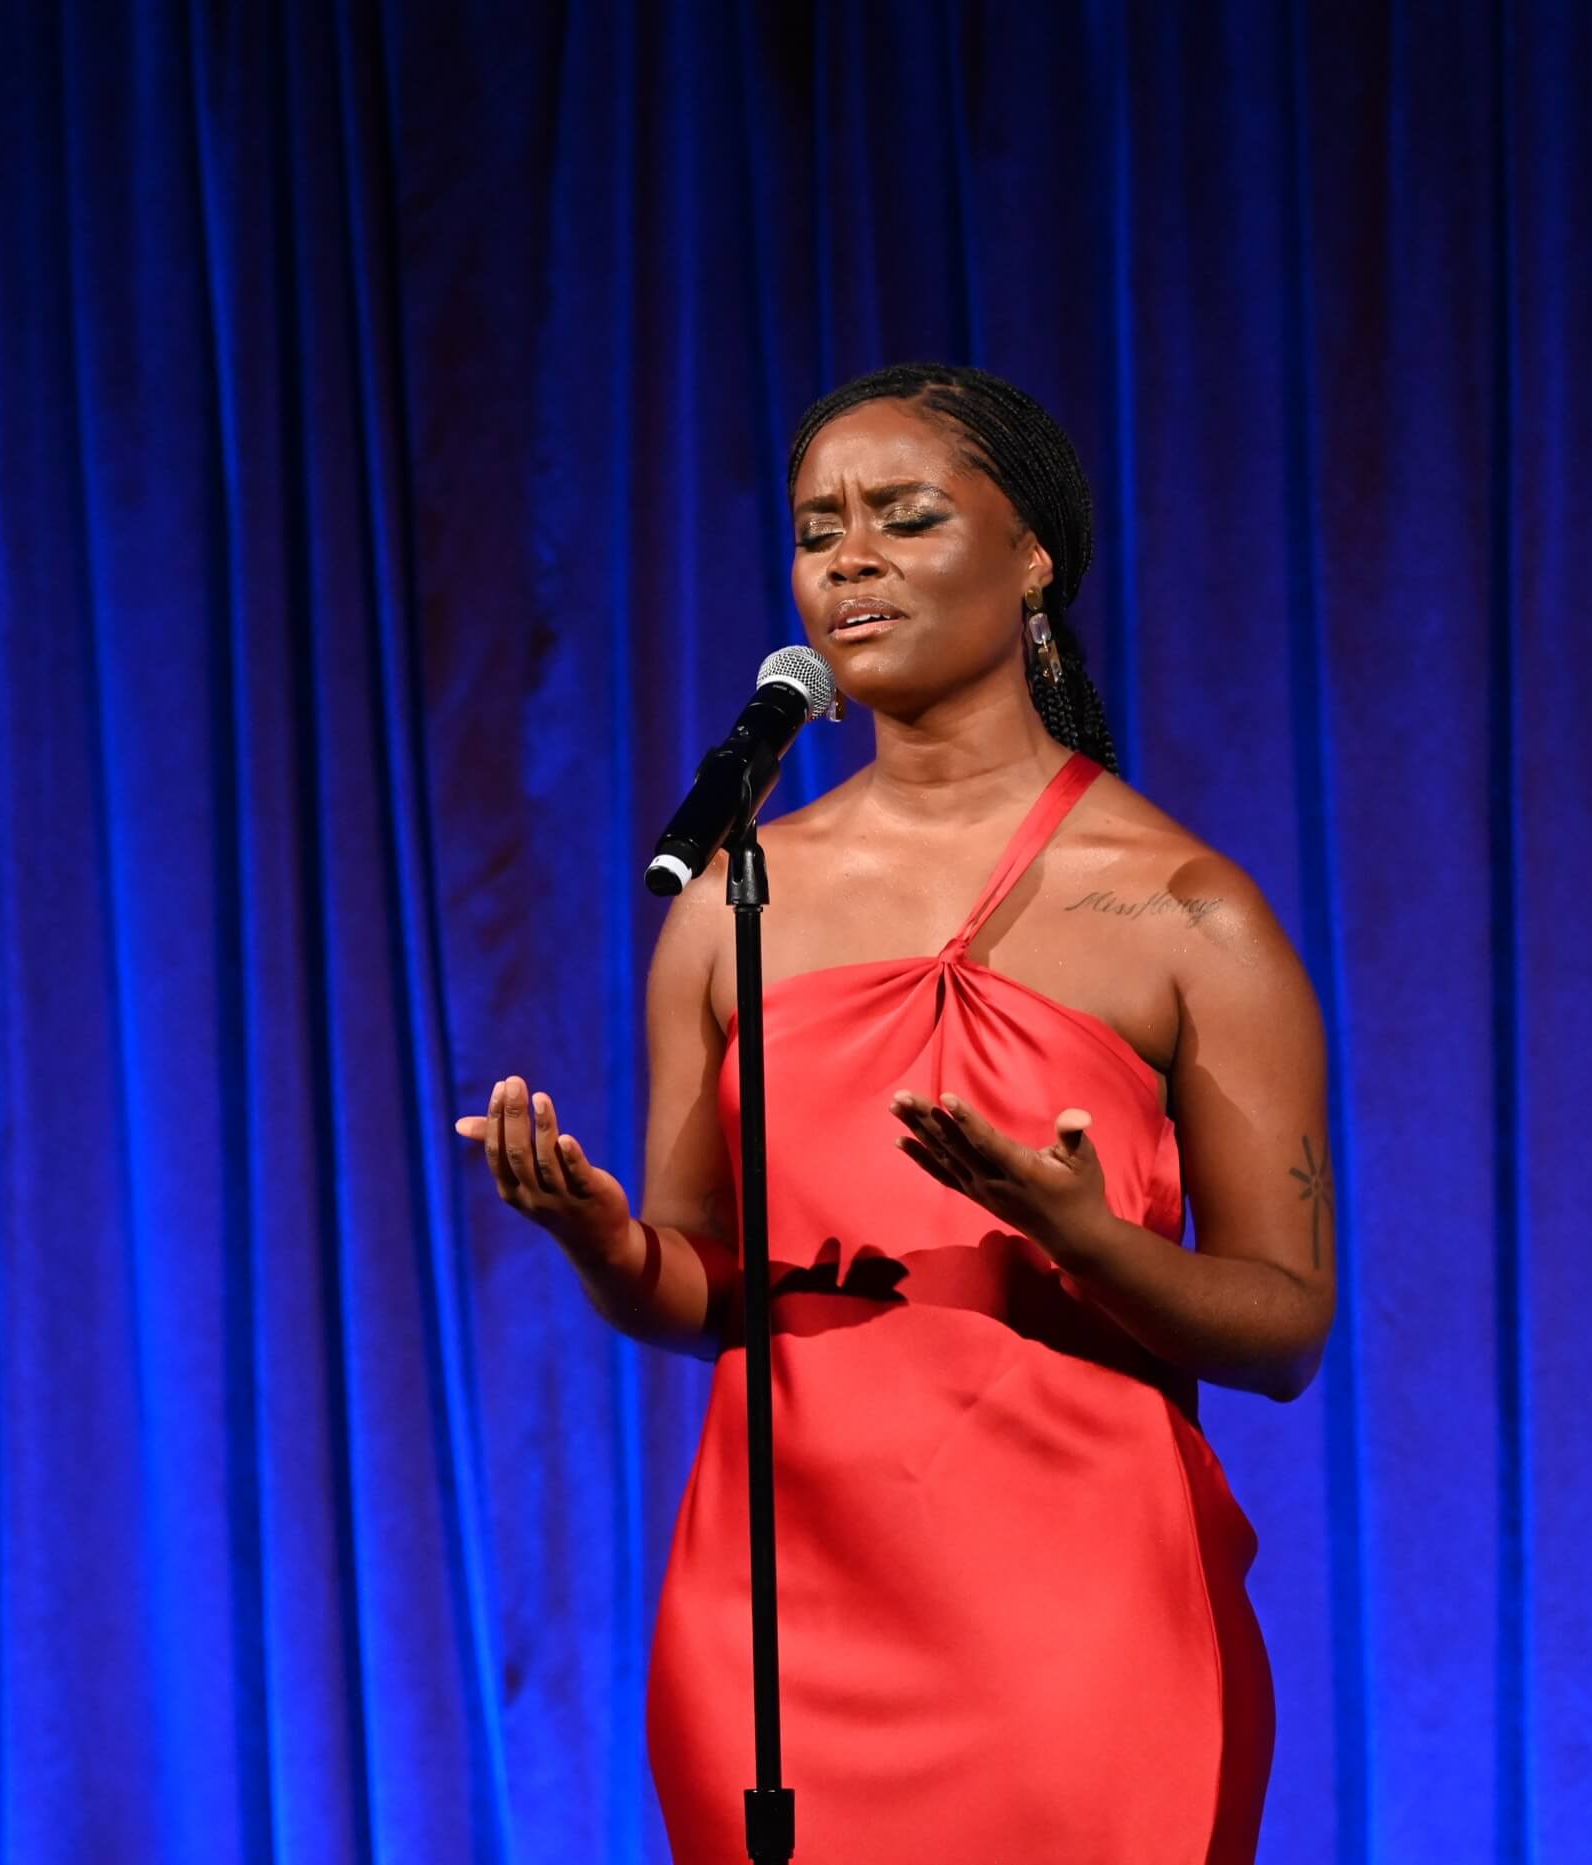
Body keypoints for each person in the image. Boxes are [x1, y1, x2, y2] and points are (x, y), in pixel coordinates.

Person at [457, 362, 1336, 1862]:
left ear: (1032, 555)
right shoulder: (741, 893)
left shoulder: (1188, 909)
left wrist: (1084, 1239)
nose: (848, 558)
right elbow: (706, 1283)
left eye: (904, 518)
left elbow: (1285, 1327)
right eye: (818, 529)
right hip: (782, 1622)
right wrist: (606, 1247)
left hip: (1081, 1619)